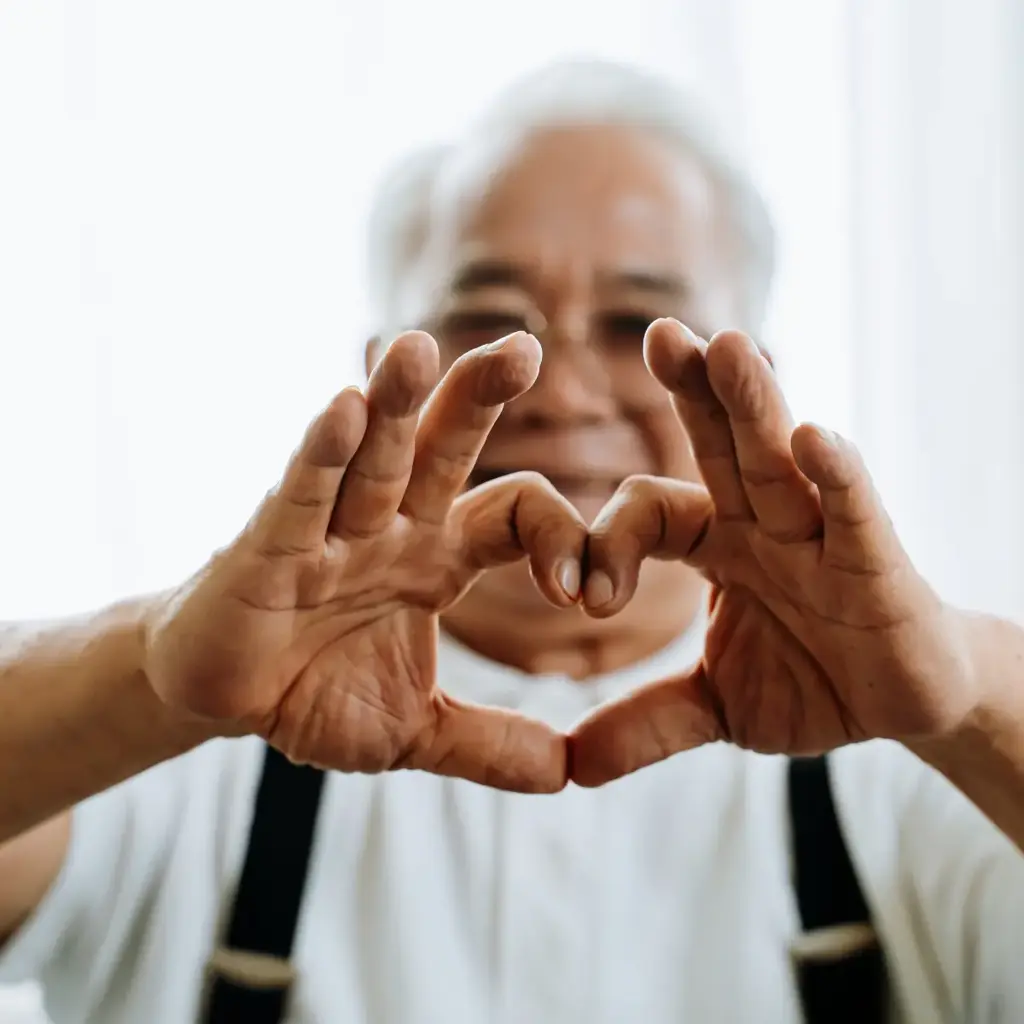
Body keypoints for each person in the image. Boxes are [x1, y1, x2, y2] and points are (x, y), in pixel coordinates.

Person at [1, 58, 1023, 1024]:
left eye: (637, 323)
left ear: (750, 374)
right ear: (381, 367)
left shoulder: (910, 771)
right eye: (486, 320)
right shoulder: (180, 750)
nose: (563, 392)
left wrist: (969, 688)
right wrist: (147, 671)